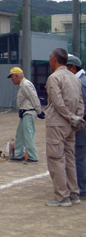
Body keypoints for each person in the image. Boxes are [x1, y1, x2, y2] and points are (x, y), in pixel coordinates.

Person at [45, 48, 85, 207]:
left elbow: (57, 102)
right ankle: (74, 193)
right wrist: (77, 118)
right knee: (70, 158)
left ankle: (62, 196)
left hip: (57, 123)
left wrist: (70, 116)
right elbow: (80, 102)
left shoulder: (54, 78)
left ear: (54, 59)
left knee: (56, 159)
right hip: (71, 125)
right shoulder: (75, 79)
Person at [7, 67, 45, 162]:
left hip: (29, 112)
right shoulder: (22, 85)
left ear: (16, 76)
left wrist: (39, 111)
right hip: (25, 112)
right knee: (19, 135)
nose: (12, 80)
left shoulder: (26, 84)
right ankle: (19, 155)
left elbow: (34, 98)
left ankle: (33, 156)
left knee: (28, 136)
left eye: (12, 77)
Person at [66, 55, 86, 199]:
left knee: (78, 157)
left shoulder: (80, 83)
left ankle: (82, 188)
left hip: (82, 126)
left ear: (73, 68)